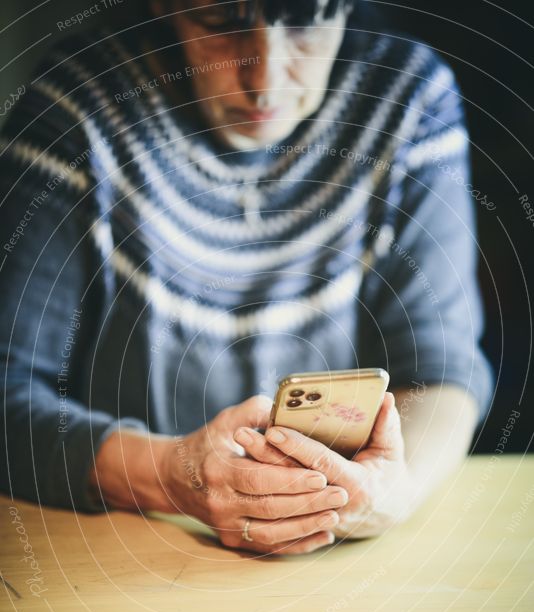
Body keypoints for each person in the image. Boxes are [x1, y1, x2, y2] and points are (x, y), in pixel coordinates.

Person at [0, 0, 493, 554]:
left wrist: (390, 492)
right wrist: (168, 474)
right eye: (222, 22)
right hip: (127, 550)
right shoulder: (79, 102)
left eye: (306, 22)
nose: (264, 80)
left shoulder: (406, 94)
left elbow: (442, 367)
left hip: (335, 563)